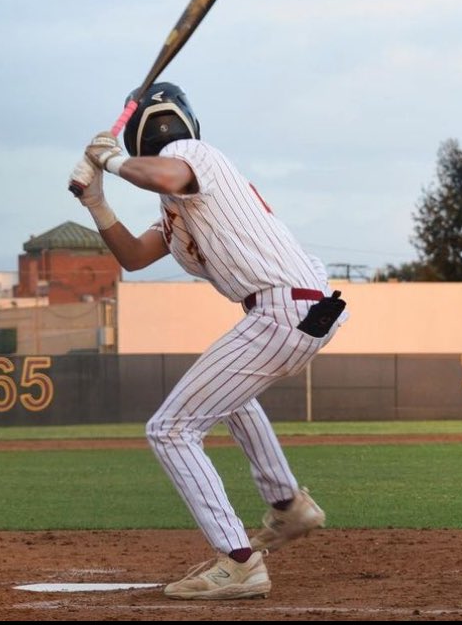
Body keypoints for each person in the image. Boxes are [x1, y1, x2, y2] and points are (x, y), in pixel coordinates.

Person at [69, 82, 347, 601]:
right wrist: (97, 202)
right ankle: (289, 506)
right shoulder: (174, 214)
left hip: (284, 306)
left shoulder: (189, 155)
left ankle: (240, 562)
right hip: (293, 309)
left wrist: (109, 162)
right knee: (229, 401)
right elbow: (132, 255)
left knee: (169, 428)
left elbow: (168, 172)